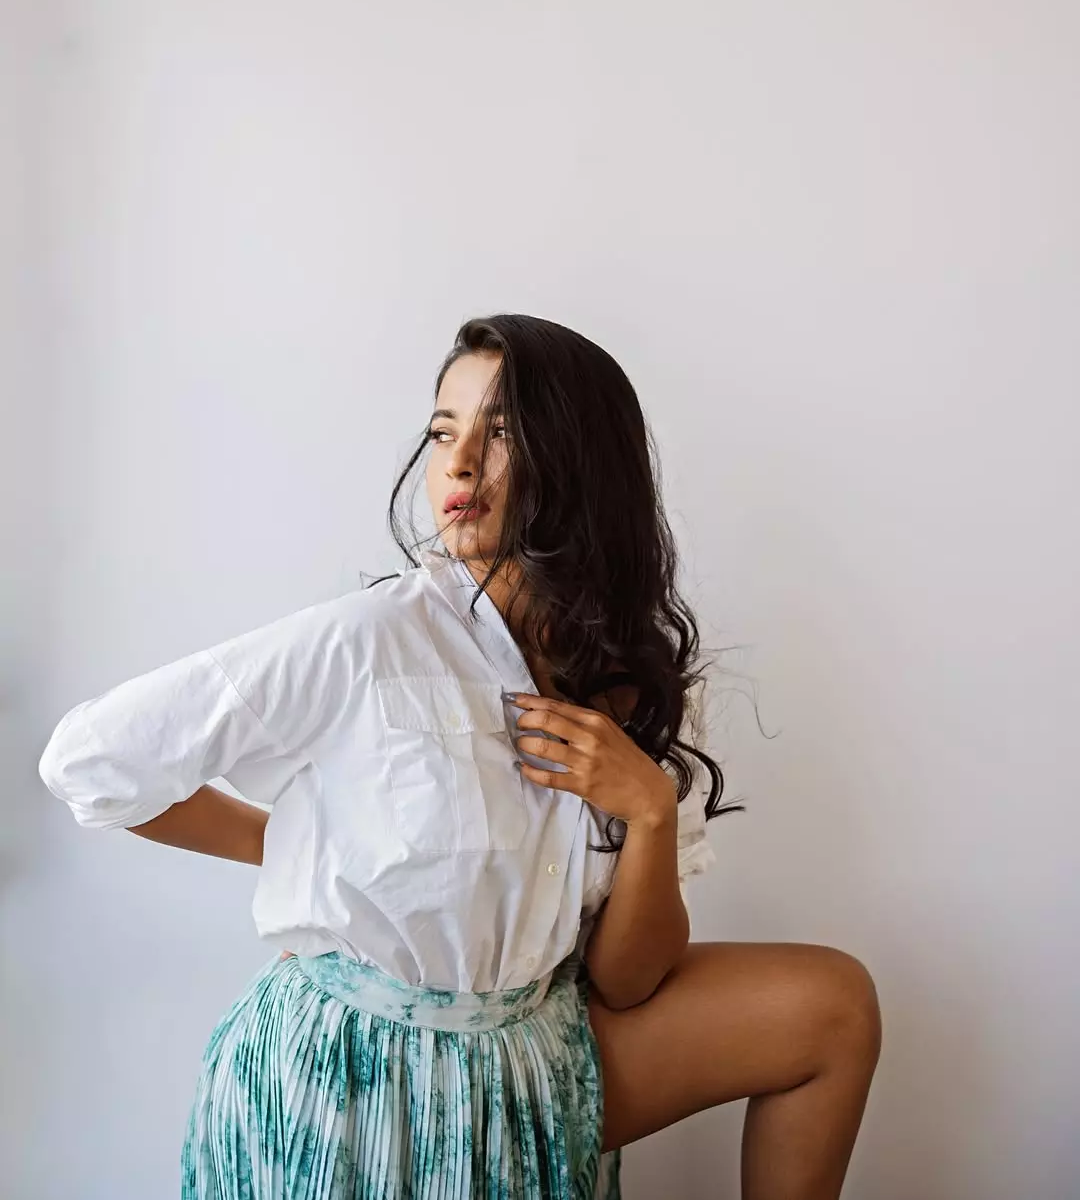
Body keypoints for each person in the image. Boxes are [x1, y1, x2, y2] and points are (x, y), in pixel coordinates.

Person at [39, 314, 881, 1199]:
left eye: (502, 431)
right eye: (444, 431)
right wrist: (292, 844)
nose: (461, 461)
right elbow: (90, 762)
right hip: (347, 1077)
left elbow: (628, 983)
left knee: (833, 1003)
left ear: (583, 462)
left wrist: (649, 812)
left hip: (532, 1050)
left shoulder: (633, 682)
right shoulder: (369, 640)